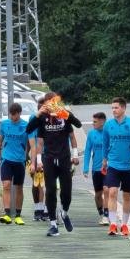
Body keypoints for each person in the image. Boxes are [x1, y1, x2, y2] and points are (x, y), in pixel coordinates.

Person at [27, 92, 82, 237]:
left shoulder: (63, 115)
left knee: (66, 192)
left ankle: (64, 213)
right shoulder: (42, 118)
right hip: (49, 158)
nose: (50, 106)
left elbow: (78, 125)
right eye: (47, 103)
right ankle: (53, 224)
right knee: (50, 191)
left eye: (52, 102)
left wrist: (75, 155)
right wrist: (39, 161)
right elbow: (31, 133)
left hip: (64, 158)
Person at [103, 97, 130, 236]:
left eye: (116, 107)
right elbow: (105, 144)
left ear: (123, 108)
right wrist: (104, 160)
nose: (113, 110)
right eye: (112, 108)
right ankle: (113, 224)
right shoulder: (108, 125)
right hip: (113, 164)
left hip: (129, 166)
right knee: (112, 192)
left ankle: (125, 225)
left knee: (127, 196)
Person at [0, 103, 29, 226]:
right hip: (6, 160)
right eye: (11, 115)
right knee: (6, 185)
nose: (13, 117)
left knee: (19, 187)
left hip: (19, 161)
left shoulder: (25, 125)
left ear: (19, 113)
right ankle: (7, 214)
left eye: (15, 115)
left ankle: (18, 215)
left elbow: (31, 143)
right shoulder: (5, 124)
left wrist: (29, 156)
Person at [83, 112, 110, 226]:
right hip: (96, 169)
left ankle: (106, 215)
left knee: (107, 190)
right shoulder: (91, 134)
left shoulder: (109, 133)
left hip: (109, 168)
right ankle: (101, 213)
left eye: (95, 122)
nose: (92, 123)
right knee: (98, 194)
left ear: (102, 121)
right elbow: (88, 151)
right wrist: (85, 168)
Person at [27, 97, 48, 221]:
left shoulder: (50, 119)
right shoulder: (33, 119)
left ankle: (45, 209)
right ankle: (37, 208)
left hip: (48, 154)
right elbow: (31, 140)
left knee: (46, 184)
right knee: (36, 183)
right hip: (35, 154)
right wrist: (32, 160)